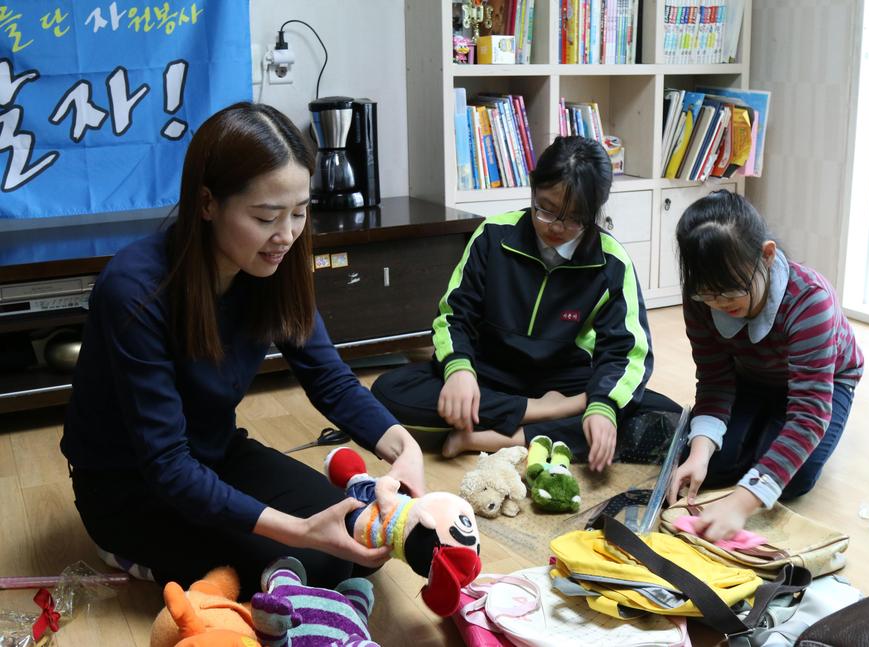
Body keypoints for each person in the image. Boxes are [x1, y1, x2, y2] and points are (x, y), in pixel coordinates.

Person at [60, 102, 425, 597]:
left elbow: (330, 378)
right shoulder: (135, 290)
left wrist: (403, 446)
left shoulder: (270, 266)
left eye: (299, 213)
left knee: (356, 539)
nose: (287, 235)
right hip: (132, 488)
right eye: (266, 217)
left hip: (215, 454)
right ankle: (131, 550)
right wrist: (298, 530)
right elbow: (167, 465)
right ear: (207, 203)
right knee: (315, 563)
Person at [371, 136, 679, 472]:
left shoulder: (612, 262)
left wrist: (602, 406)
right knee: (389, 391)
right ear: (533, 188)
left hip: (565, 379)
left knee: (668, 419)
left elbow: (626, 353)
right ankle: (547, 414)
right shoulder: (493, 236)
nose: (556, 227)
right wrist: (459, 370)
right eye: (545, 208)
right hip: (491, 373)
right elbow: (454, 315)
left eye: (574, 218)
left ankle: (509, 437)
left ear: (595, 210)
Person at [666, 190, 863, 541]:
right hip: (752, 377)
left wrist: (741, 503)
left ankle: (770, 434)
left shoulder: (810, 299)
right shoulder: (701, 296)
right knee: (711, 466)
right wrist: (699, 452)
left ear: (767, 255)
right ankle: (759, 432)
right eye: (708, 294)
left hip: (825, 383)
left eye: (731, 291)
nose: (719, 303)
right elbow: (714, 380)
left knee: (793, 480)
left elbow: (808, 414)